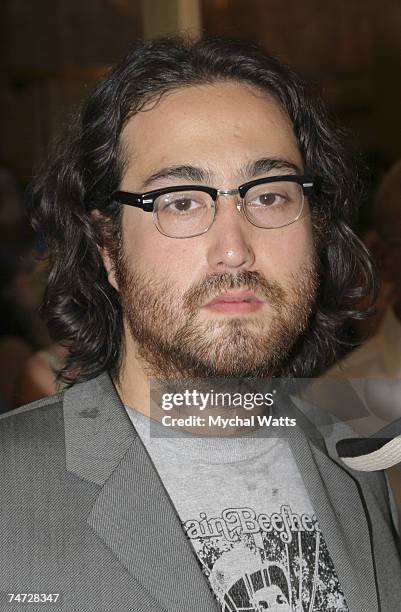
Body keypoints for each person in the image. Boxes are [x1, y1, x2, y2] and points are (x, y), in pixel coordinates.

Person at [0, 37, 399, 612]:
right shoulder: (13, 491)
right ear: (108, 247)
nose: (234, 249)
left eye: (268, 195)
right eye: (181, 201)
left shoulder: (360, 459)